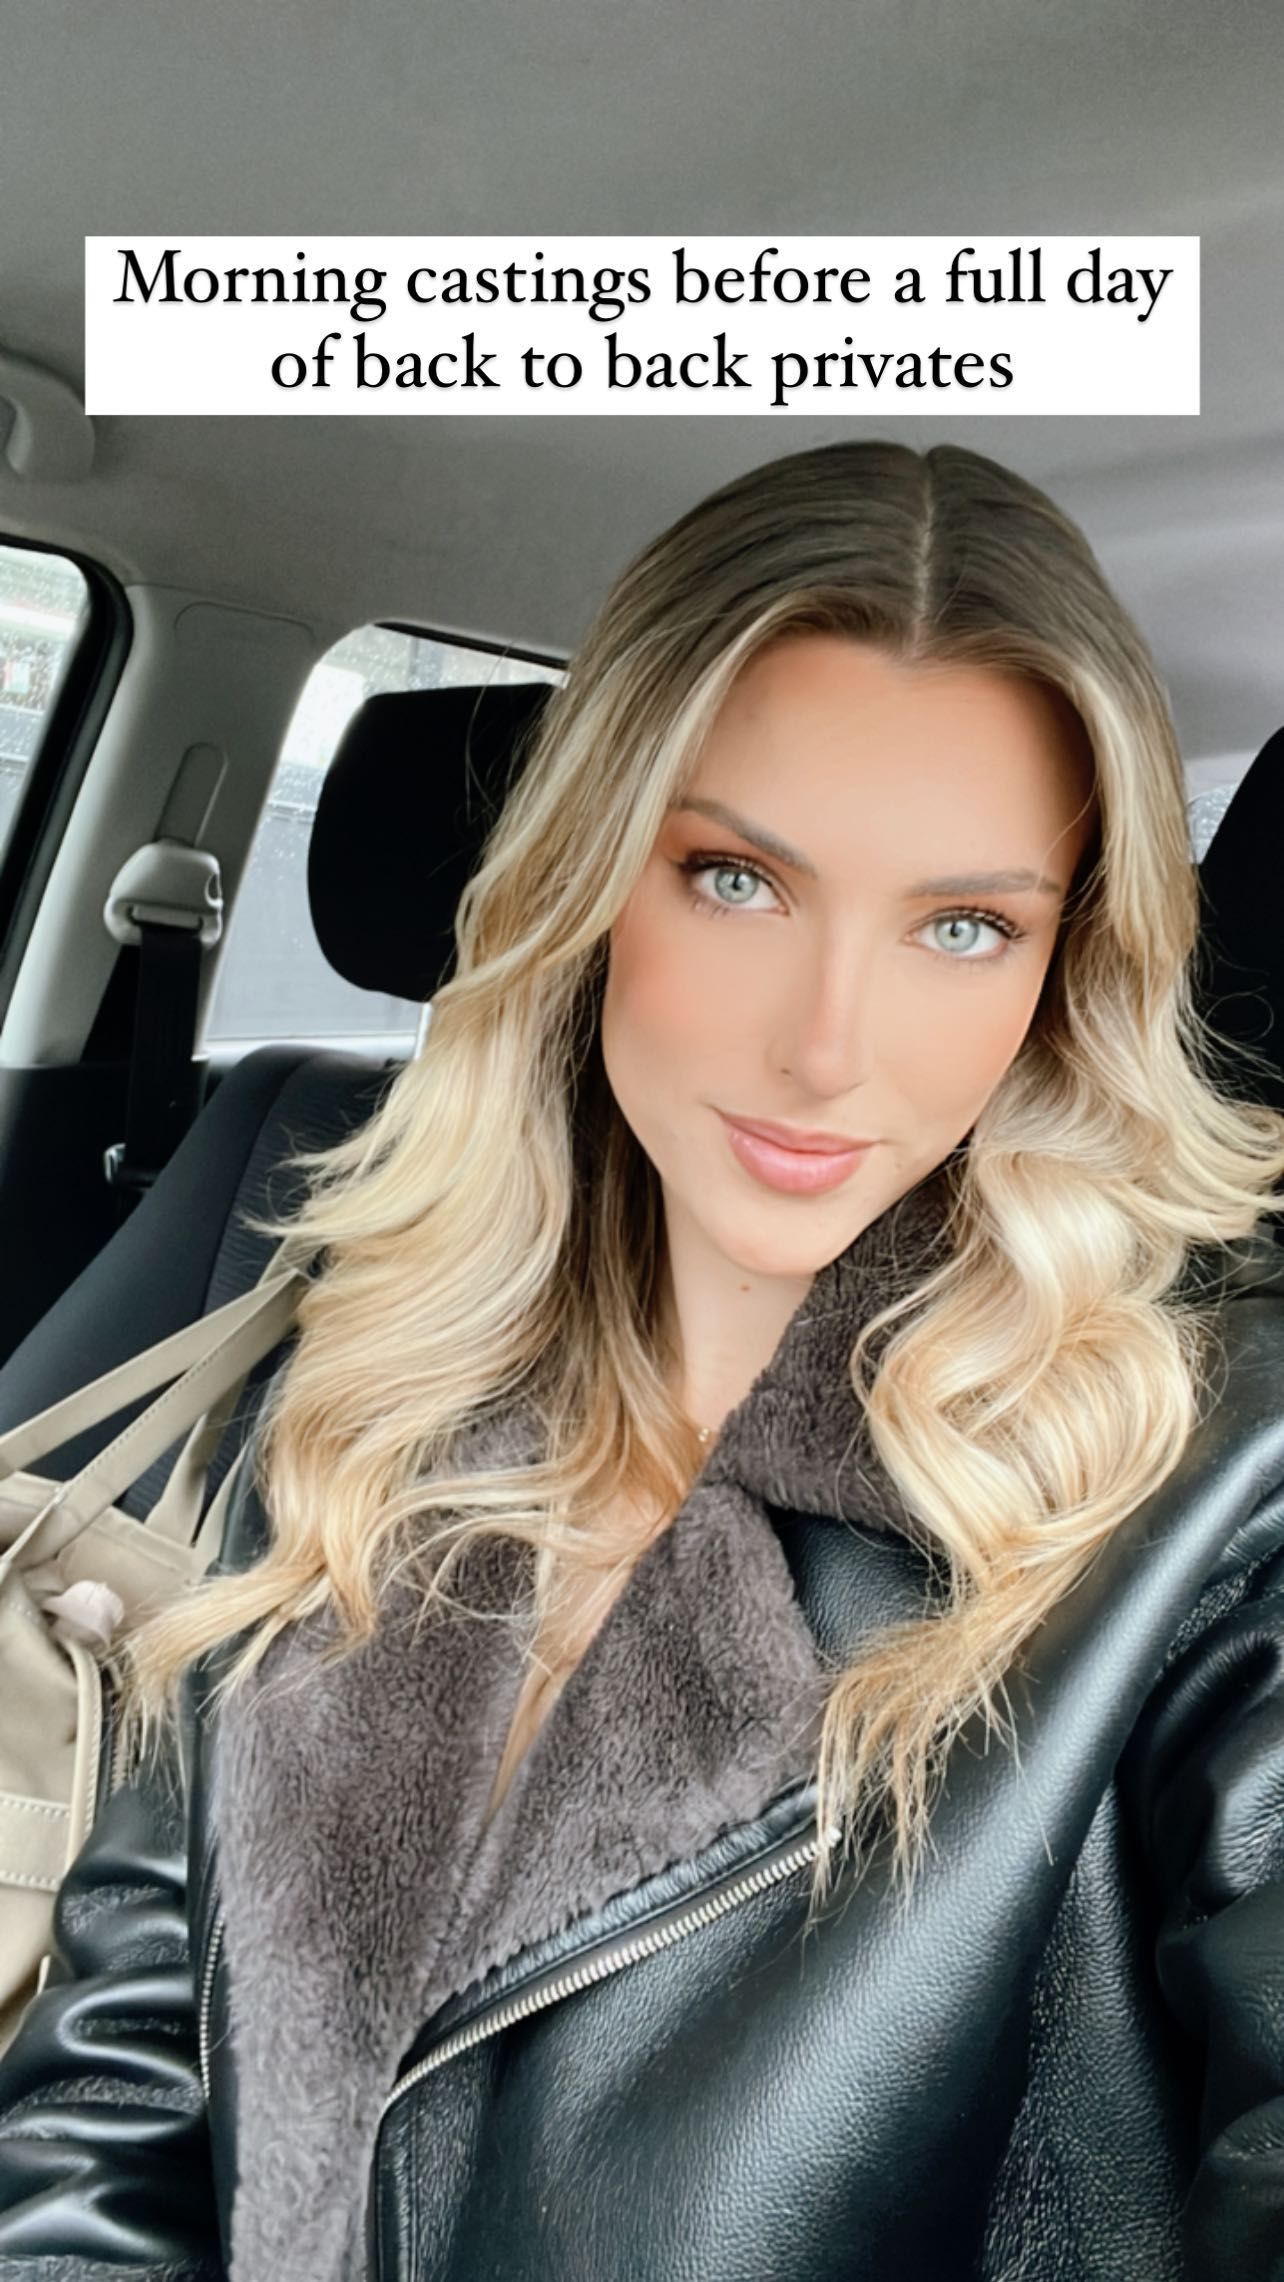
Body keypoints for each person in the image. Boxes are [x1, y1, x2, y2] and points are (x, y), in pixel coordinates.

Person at [1, 438, 1283, 2282]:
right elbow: (110, 2113)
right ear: (592, 874)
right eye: (737, 879)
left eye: (963, 924)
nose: (827, 1045)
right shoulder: (368, 1389)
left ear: (1062, 972)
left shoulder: (1218, 1502)